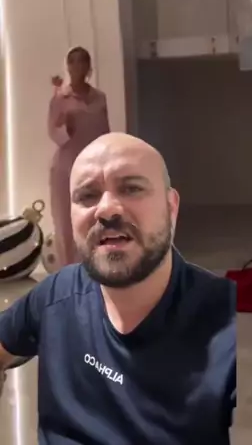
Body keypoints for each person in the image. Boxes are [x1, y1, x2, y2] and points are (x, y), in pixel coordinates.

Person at [0, 133, 236, 444]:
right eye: (87, 195)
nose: (107, 210)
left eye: (131, 188)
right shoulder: (56, 295)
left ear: (171, 207)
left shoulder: (229, 328)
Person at [48, 46, 110, 266]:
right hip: (66, 168)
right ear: (68, 66)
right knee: (65, 223)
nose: (78, 66)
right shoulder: (60, 98)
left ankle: (94, 269)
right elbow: (53, 131)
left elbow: (105, 133)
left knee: (94, 219)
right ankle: (68, 272)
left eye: (82, 61)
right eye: (73, 61)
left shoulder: (99, 98)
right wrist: (67, 128)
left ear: (88, 66)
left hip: (93, 168)